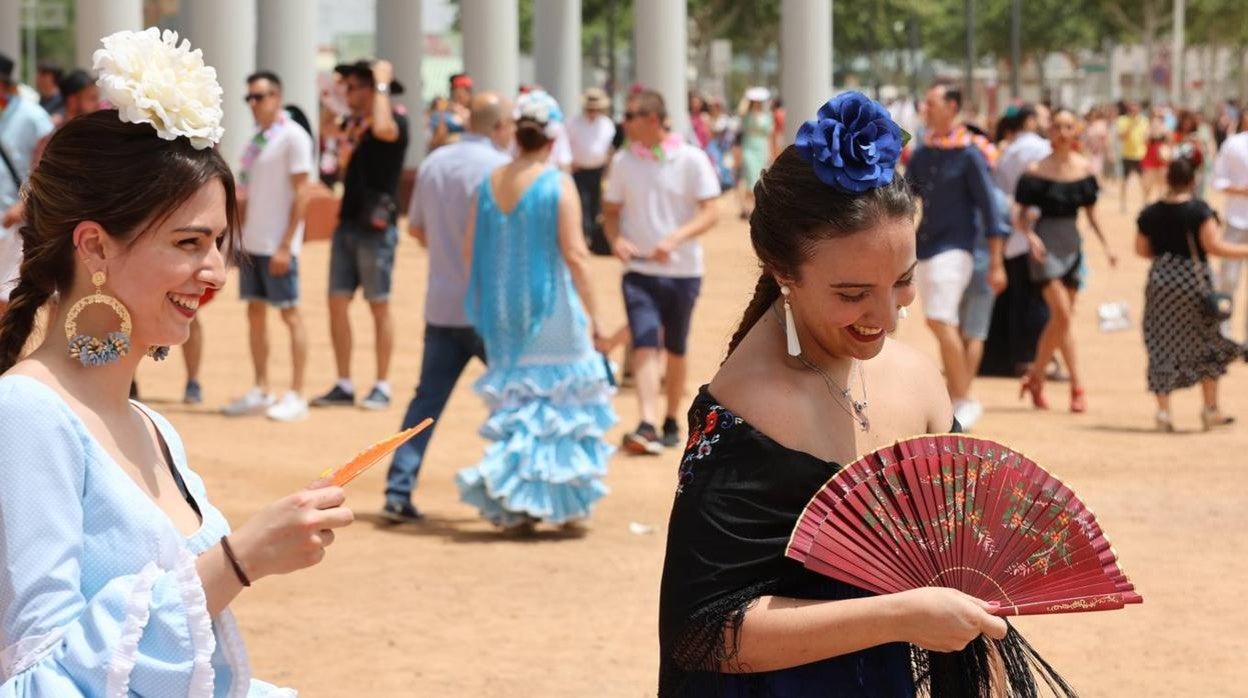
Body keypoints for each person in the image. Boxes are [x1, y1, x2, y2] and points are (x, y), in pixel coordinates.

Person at [0, 28, 353, 695]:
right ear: (95, 248)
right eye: (189, 242)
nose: (215, 271)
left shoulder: (154, 428)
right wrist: (238, 560)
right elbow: (35, 680)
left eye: (220, 241)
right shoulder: (25, 416)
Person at [658, 92, 1009, 697]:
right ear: (782, 272)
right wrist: (901, 616)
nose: (886, 315)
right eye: (852, 294)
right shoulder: (749, 408)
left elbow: (961, 562)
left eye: (901, 281)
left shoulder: (918, 377)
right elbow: (699, 631)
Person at [455, 92, 616, 531]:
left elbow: (470, 248)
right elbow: (577, 255)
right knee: (561, 399)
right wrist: (597, 315)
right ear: (550, 138)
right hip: (551, 307)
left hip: (503, 312)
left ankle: (518, 501)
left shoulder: (489, 182)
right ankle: (556, 501)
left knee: (519, 403)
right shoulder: (556, 183)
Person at [380, 91, 514, 524]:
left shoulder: (435, 162)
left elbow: (416, 229)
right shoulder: (500, 169)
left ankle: (397, 490)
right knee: (511, 403)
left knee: (425, 403)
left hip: (442, 302)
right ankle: (510, 493)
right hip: (491, 309)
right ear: (497, 127)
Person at [604, 89, 719, 454]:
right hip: (637, 270)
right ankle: (647, 421)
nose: (624, 121)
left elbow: (710, 211)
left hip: (684, 271)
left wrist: (675, 239)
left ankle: (671, 418)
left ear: (652, 119)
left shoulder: (691, 158)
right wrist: (616, 239)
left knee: (676, 348)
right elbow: (609, 211)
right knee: (644, 341)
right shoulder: (623, 162)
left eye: (631, 115)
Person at [905, 82, 1006, 430]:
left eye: (931, 103)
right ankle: (959, 396)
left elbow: (991, 210)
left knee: (939, 319)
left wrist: (996, 260)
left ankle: (963, 399)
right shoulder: (922, 152)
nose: (925, 110)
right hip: (925, 248)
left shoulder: (969, 155)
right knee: (941, 320)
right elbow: (903, 200)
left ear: (952, 107)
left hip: (957, 249)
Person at [312, 59, 409, 411]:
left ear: (372, 90)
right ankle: (344, 382)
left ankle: (382, 384)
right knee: (337, 302)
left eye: (354, 87)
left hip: (377, 226)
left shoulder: (394, 118)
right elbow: (326, 128)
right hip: (349, 220)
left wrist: (383, 83)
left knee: (378, 304)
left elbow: (384, 128)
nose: (348, 93)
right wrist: (332, 96)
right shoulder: (352, 123)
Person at [220, 71, 314, 422]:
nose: (254, 104)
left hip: (278, 244)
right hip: (254, 243)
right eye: (250, 98)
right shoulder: (258, 140)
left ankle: (298, 393)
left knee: (290, 314)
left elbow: (303, 193)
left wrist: (287, 244)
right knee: (255, 313)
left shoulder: (293, 138)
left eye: (260, 96)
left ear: (278, 96)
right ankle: (261, 388)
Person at [1016, 108, 1117, 413]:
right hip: (1044, 246)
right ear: (1050, 131)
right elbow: (1019, 215)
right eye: (1057, 126)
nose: (1062, 131)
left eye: (1068, 126)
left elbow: (1092, 214)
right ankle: (1076, 384)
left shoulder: (1084, 169)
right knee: (1062, 314)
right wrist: (1030, 236)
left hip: (1073, 245)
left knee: (1062, 321)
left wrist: (1107, 247)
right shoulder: (1035, 170)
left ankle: (1036, 378)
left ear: (1076, 132)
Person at [1137, 158, 1248, 432]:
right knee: (1206, 341)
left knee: (1160, 342)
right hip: (1192, 282)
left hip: (1161, 281)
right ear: (1193, 180)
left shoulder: (1150, 212)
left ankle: (1164, 413)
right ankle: (1210, 408)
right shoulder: (1199, 210)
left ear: (1168, 179)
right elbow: (1213, 245)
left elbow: (1141, 249)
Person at [983, 103, 1054, 377]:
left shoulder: (1008, 150)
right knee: (1036, 301)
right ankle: (1032, 359)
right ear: (1030, 121)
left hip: (1009, 229)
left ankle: (1013, 357)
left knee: (1015, 300)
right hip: (1035, 231)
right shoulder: (1040, 149)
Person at [0, 52, 54, 318]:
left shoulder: (34, 117)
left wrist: (25, 204)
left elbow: (49, 168)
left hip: (14, 224)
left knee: (6, 300)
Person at [567, 87, 616, 256]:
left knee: (595, 206)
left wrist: (608, 171)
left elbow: (609, 149)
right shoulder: (573, 123)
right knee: (582, 204)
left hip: (598, 170)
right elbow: (566, 144)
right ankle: (583, 237)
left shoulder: (607, 125)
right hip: (579, 170)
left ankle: (591, 238)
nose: (592, 112)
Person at [1213, 111, 1248, 342]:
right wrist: (1241, 191)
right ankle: (1224, 336)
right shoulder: (1233, 144)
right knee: (1229, 279)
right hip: (1236, 221)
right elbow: (1218, 180)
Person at [735, 86, 775, 219]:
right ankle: (748, 207)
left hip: (761, 148)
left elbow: (770, 135)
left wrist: (771, 152)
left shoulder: (767, 116)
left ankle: (753, 207)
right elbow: (739, 112)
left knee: (758, 176)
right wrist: (746, 97)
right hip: (748, 148)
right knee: (750, 176)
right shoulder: (746, 115)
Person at [1116, 101, 1148, 212]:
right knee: (1124, 181)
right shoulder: (1122, 120)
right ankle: (1123, 203)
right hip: (1127, 155)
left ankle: (1145, 203)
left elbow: (1146, 137)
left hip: (1140, 155)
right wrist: (1131, 126)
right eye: (1132, 109)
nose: (1134, 111)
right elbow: (1121, 137)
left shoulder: (1144, 121)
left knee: (1143, 181)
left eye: (1136, 109)